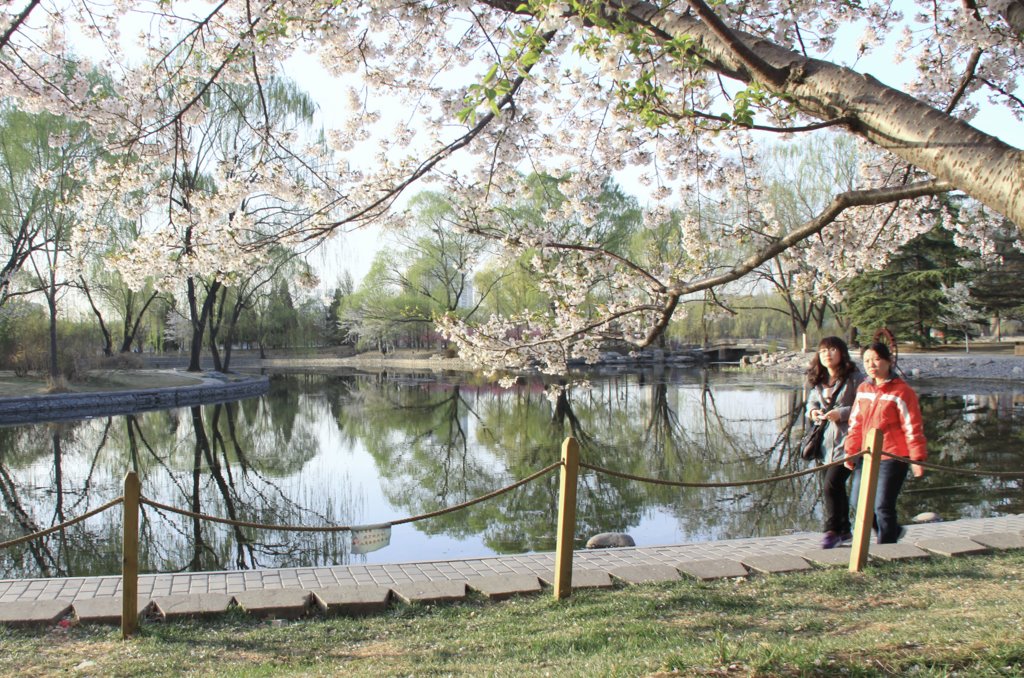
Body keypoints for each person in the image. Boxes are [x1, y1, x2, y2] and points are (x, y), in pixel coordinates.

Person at [843, 341, 927, 544]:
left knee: (882, 505)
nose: (872, 365)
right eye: (867, 361)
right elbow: (855, 423)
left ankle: (887, 547)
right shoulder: (863, 388)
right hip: (867, 454)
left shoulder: (902, 392)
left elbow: (912, 426)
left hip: (893, 456)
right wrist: (850, 452)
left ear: (889, 361)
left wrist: (917, 458)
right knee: (857, 501)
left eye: (877, 359)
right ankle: (892, 531)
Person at [805, 337, 863, 549]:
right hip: (824, 443)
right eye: (822, 351)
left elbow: (864, 405)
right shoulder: (818, 378)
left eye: (831, 349)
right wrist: (813, 412)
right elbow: (810, 401)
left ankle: (830, 531)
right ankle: (844, 530)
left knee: (832, 485)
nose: (827, 354)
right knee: (833, 487)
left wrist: (842, 413)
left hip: (848, 442)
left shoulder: (855, 378)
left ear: (841, 352)